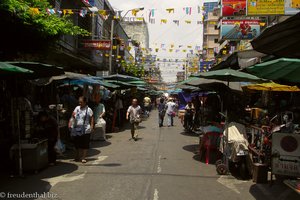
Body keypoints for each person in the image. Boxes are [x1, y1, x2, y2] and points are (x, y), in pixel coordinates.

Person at [69, 96, 94, 163]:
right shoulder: (77, 108)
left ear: (85, 102)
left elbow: (92, 118)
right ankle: (77, 156)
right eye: (79, 102)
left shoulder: (89, 109)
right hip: (76, 129)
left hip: (86, 129)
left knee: (85, 144)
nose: (80, 103)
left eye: (81, 102)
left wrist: (91, 126)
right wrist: (70, 123)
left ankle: (83, 157)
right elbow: (73, 115)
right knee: (77, 143)